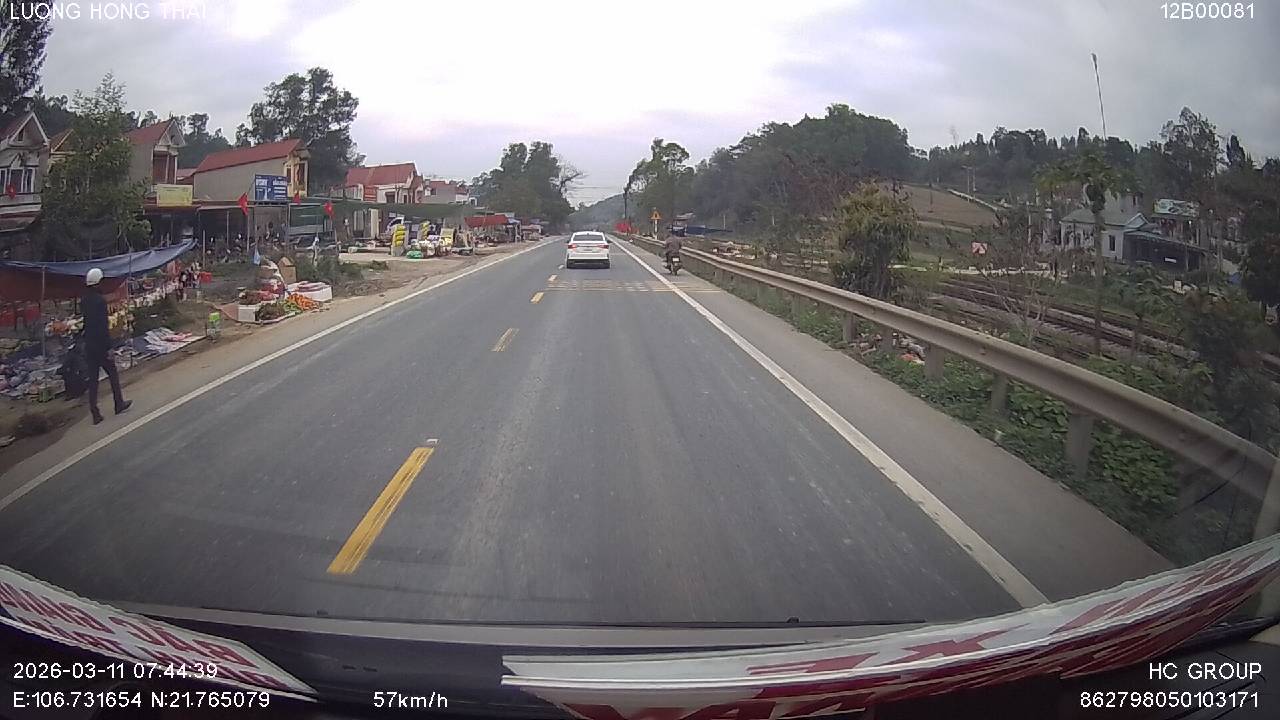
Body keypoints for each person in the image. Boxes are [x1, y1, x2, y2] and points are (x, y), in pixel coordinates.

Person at [81, 268, 131, 425]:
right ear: (98, 282)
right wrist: (109, 347)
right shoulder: (100, 301)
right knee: (113, 374)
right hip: (101, 345)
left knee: (93, 380)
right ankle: (118, 403)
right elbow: (102, 326)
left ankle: (94, 411)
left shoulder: (84, 300)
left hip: (89, 344)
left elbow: (87, 324)